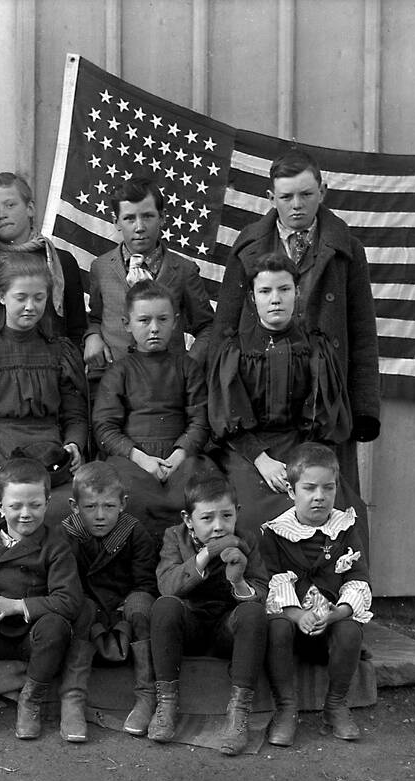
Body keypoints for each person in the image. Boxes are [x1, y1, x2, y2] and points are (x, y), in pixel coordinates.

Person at [214, 147, 380, 491]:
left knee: (326, 501)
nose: (297, 205)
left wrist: (364, 408)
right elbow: (224, 332)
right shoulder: (248, 247)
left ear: (323, 191)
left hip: (323, 401)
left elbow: (362, 333)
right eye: (286, 196)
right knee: (259, 505)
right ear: (270, 196)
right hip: (263, 401)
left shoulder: (345, 250)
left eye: (306, 194)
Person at [208, 253, 363, 536]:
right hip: (248, 452)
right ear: (253, 298)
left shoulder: (315, 347)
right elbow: (228, 420)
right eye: (265, 291)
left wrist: (301, 461)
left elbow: (323, 419)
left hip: (301, 445)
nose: (275, 299)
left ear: (297, 293)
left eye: (284, 289)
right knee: (250, 512)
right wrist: (262, 461)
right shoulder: (235, 349)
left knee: (341, 509)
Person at [0, 252, 87, 533]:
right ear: (2, 297)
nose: (30, 306)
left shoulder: (59, 350)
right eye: (21, 297)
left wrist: (74, 444)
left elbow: (75, 416)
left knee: (65, 511)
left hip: (48, 454)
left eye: (39, 298)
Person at [0, 458, 81, 741]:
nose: (25, 514)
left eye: (35, 505)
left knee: (56, 626)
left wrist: (17, 606)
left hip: (30, 638)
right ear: (0, 506)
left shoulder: (55, 546)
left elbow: (69, 600)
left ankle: (30, 700)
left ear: (47, 502)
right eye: (15, 506)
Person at [148, 473, 268, 756]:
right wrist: (205, 556)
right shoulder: (174, 537)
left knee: (252, 612)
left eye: (226, 516)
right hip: (189, 626)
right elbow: (167, 584)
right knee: (165, 606)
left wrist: (239, 581)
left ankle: (238, 714)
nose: (218, 526)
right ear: (188, 520)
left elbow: (262, 590)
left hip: (227, 629)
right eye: (207, 519)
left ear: (237, 513)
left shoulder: (247, 539)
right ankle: (166, 704)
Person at [260, 443, 371, 746]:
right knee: (277, 626)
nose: (319, 496)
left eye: (328, 488)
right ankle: (286, 708)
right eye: (309, 488)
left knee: (350, 630)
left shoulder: (345, 527)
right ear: (291, 492)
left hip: (330, 624)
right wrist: (297, 615)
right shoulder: (275, 533)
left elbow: (358, 576)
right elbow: (271, 581)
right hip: (293, 625)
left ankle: (335, 705)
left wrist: (339, 612)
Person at [92, 280, 211, 535]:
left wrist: (179, 455)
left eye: (163, 319)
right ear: (127, 324)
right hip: (133, 458)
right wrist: (141, 459)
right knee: (128, 498)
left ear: (175, 321)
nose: (154, 328)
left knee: (198, 495)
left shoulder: (187, 367)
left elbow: (200, 420)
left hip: (180, 456)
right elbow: (105, 427)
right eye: (144, 321)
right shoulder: (119, 371)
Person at [55, 461, 158, 741]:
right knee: (81, 607)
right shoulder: (66, 535)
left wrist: (130, 601)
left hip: (125, 604)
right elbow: (64, 583)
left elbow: (145, 582)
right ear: (75, 506)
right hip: (87, 605)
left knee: (142, 604)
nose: (100, 516)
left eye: (109, 506)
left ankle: (147, 694)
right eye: (90, 507)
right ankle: (72, 697)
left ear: (123, 503)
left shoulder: (134, 533)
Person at [84, 178, 214, 370]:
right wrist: (92, 335)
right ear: (116, 221)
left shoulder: (183, 270)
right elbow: (95, 317)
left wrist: (188, 366)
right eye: (129, 218)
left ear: (162, 218)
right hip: (113, 379)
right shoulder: (100, 267)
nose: (139, 227)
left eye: (147, 216)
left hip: (167, 383)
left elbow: (207, 327)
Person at [0, 171, 87, 342]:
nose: (2, 214)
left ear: (30, 208)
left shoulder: (61, 261)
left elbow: (76, 327)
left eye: (10, 205)